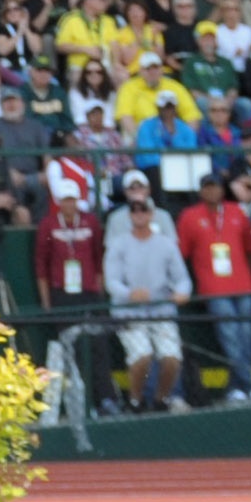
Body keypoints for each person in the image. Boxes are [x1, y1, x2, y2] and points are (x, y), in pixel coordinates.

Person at [100, 173, 192, 413]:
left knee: (172, 358)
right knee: (142, 356)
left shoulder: (165, 244)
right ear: (130, 216)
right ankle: (136, 400)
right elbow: (112, 281)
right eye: (134, 211)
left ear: (151, 214)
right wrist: (129, 294)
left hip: (161, 309)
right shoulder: (119, 244)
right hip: (130, 312)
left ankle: (161, 399)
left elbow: (182, 279)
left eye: (143, 210)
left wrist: (182, 292)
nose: (139, 214)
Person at [178, 167, 251, 404]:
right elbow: (182, 252)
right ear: (201, 191)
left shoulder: (237, 212)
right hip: (213, 286)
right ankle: (250, 383)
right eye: (207, 187)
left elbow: (250, 249)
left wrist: (246, 275)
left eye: (215, 186)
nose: (212, 191)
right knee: (230, 336)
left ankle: (235, 386)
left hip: (242, 284)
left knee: (244, 336)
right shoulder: (190, 216)